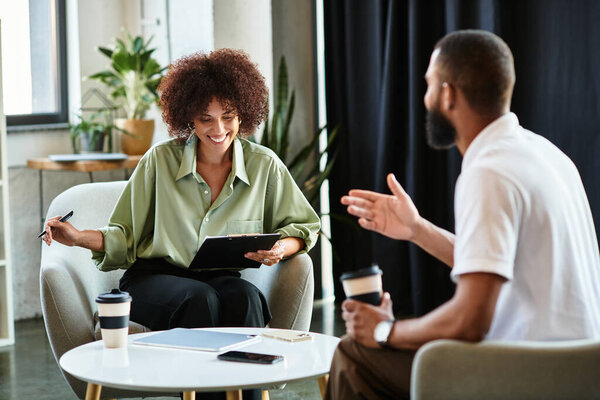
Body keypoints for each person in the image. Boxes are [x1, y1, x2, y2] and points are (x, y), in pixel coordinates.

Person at [326, 30, 600, 399]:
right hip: (581, 372)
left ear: (447, 93)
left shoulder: (488, 171)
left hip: (530, 376)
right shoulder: (546, 154)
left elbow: (470, 321)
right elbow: (498, 265)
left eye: (428, 85)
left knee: (353, 353)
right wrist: (417, 228)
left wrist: (383, 330)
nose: (425, 99)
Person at [43, 48, 320, 334]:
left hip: (218, 278)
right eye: (206, 119)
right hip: (152, 279)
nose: (219, 129)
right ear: (189, 117)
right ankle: (191, 379)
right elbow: (124, 236)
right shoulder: (160, 161)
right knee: (199, 299)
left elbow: (304, 227)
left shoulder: (264, 165)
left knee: (246, 297)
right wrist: (77, 238)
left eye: (228, 116)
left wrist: (279, 249)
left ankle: (249, 379)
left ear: (243, 114)